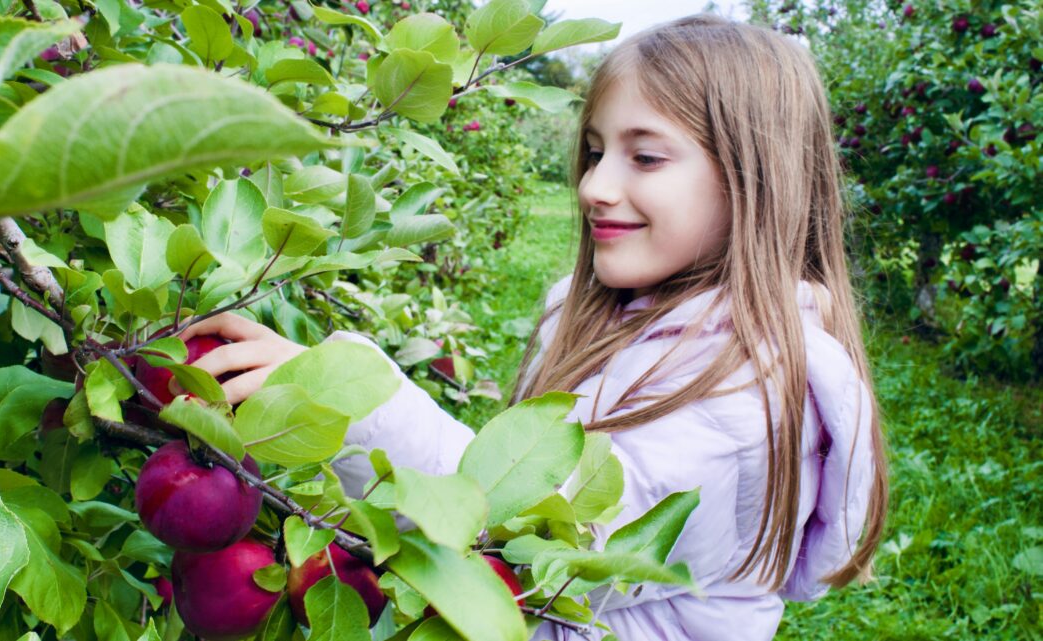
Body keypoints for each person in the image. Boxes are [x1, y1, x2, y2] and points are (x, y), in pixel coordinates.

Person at [178, 13, 888, 640]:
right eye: (593, 152)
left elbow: (531, 539)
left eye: (644, 156)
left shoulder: (748, 399)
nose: (593, 186)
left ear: (753, 182)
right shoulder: (625, 320)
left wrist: (339, 396)